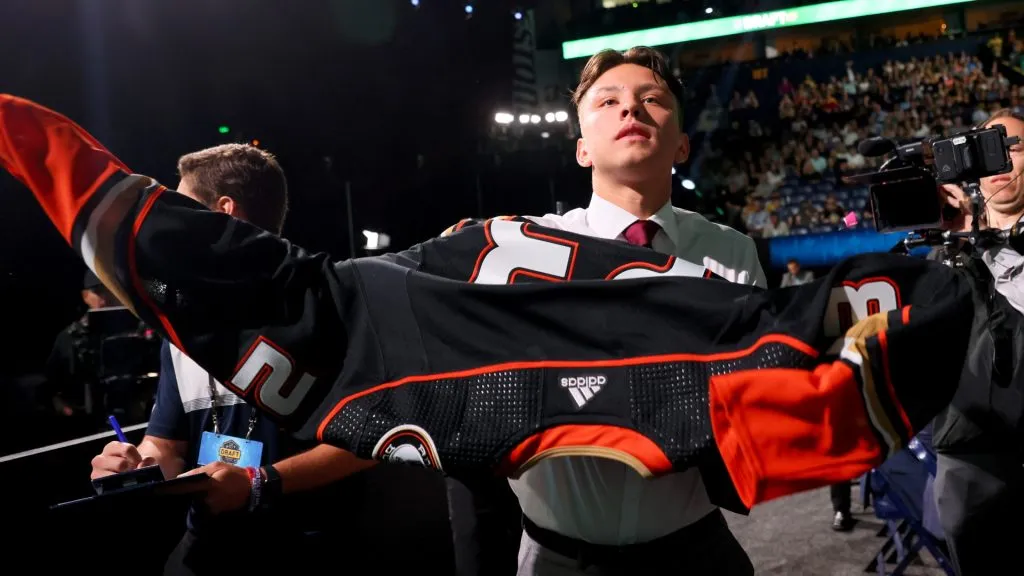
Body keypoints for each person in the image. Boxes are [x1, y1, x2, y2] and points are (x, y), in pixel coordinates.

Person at [506, 46, 764, 575]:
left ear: (682, 145)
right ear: (581, 150)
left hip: (693, 547)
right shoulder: (522, 251)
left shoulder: (732, 252)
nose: (631, 110)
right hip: (558, 557)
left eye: (652, 99)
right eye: (609, 101)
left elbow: (749, 398)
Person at [88, 144, 375, 575]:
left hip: (307, 543)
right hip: (211, 541)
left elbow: (372, 442)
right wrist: (134, 466)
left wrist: (259, 483)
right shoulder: (181, 327)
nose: (170, 225)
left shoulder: (328, 306)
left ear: (225, 212)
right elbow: (165, 444)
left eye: (182, 209)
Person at [932, 108, 1024, 576]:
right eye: (989, 150)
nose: (1002, 161)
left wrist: (980, 243)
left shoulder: (970, 238)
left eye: (1015, 147)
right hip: (966, 453)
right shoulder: (947, 244)